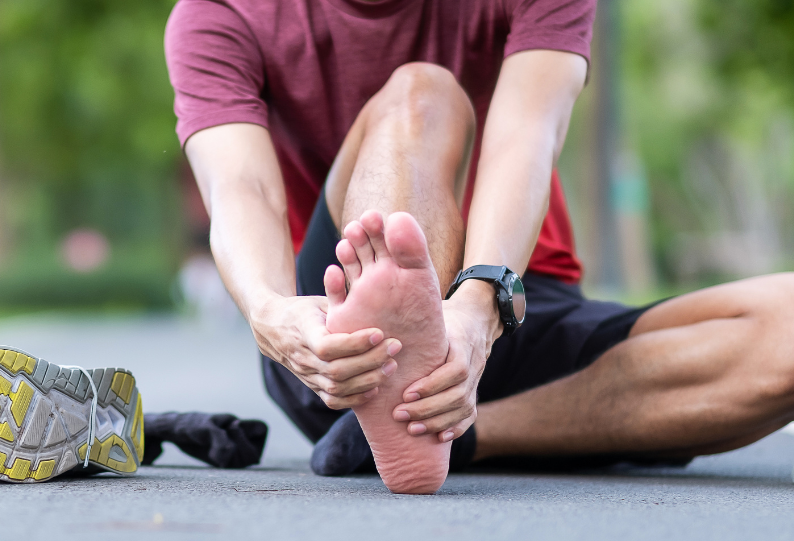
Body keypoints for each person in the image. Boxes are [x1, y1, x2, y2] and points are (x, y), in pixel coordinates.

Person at [165, 0, 794, 493]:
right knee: (423, 95)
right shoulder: (218, 14)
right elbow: (242, 188)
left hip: (512, 301)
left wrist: (476, 308)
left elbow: (527, 134)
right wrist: (271, 311)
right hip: (342, 353)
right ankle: (400, 368)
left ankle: (461, 433)